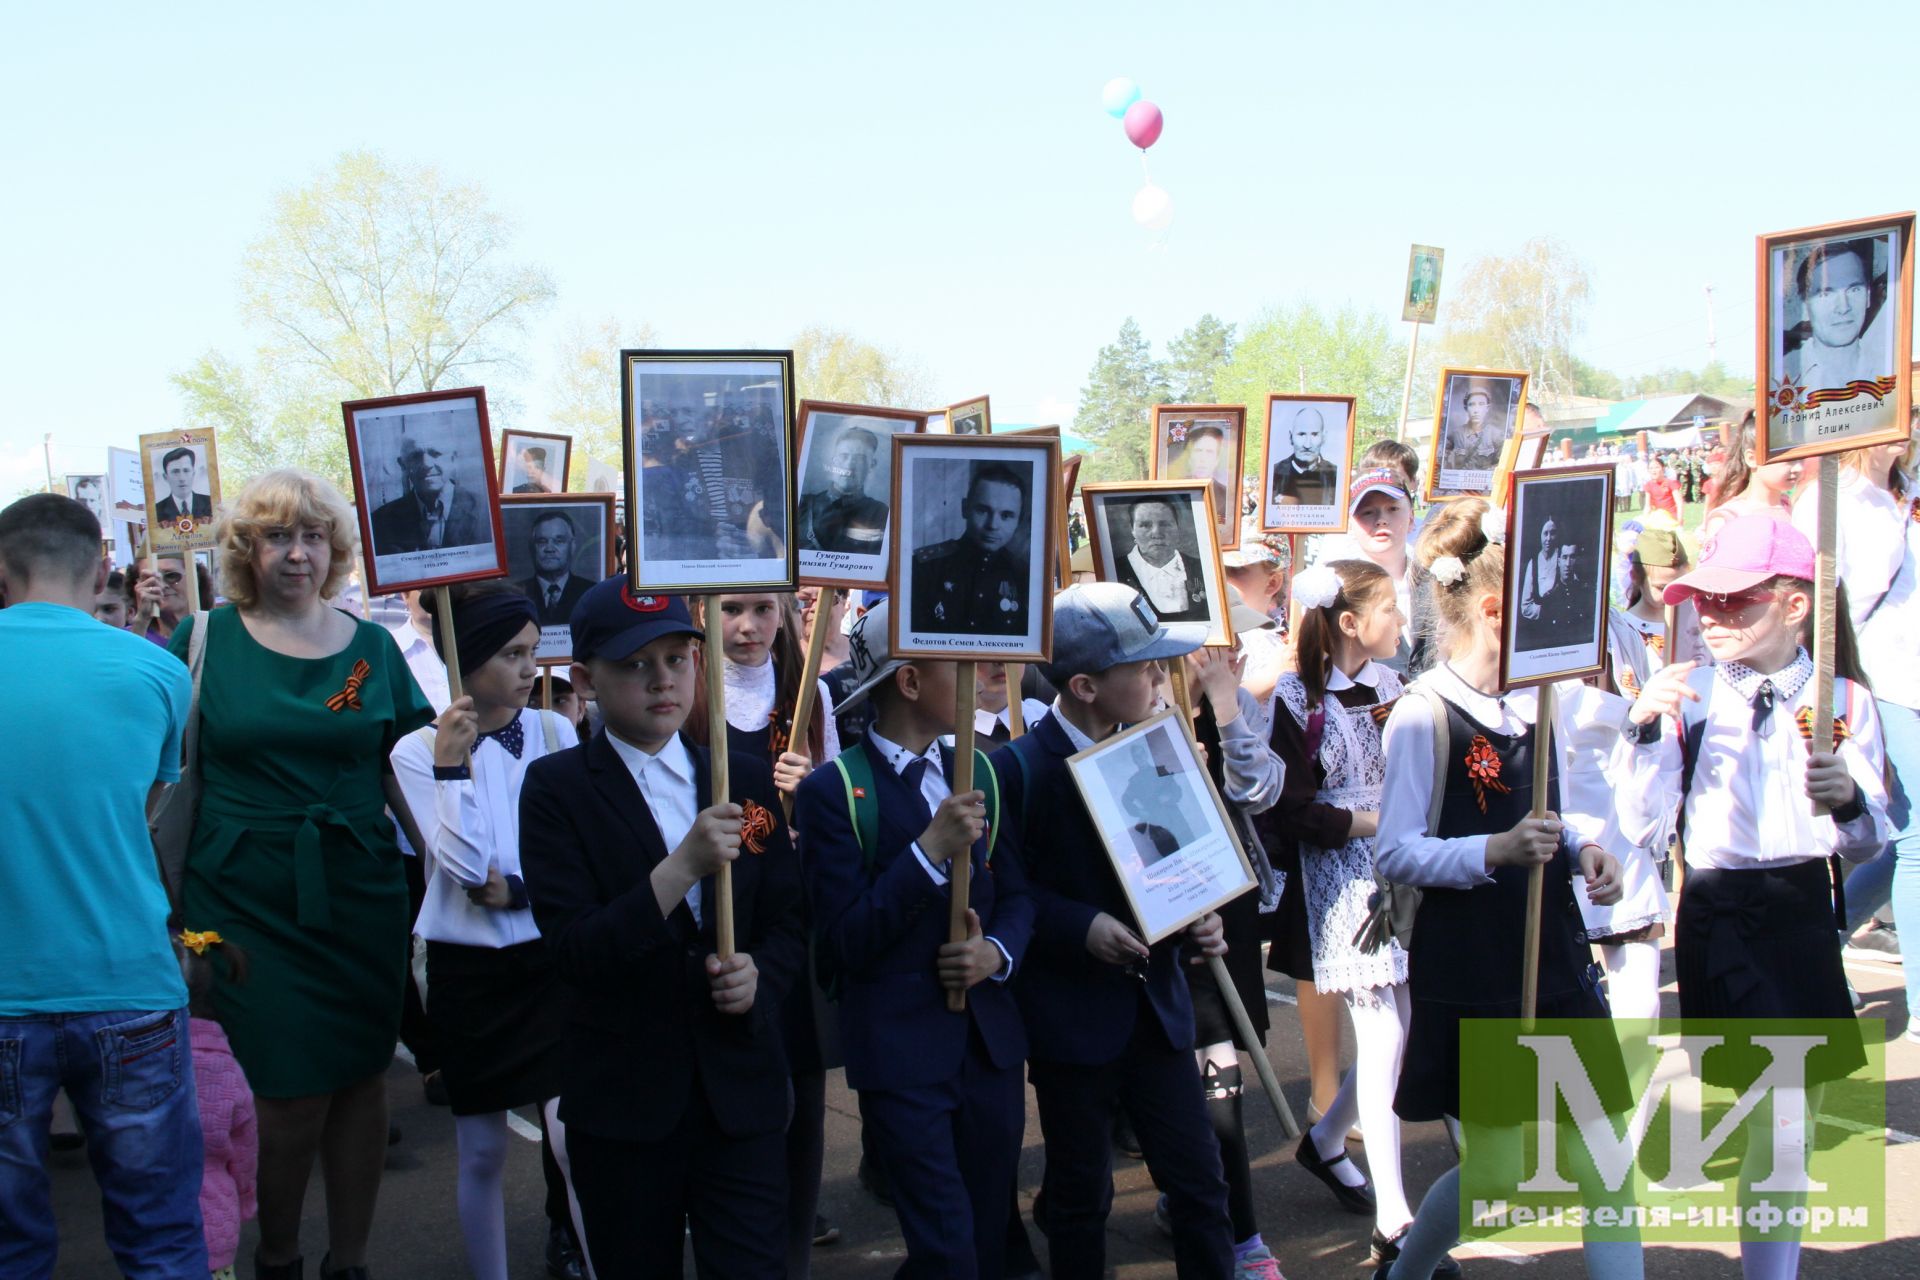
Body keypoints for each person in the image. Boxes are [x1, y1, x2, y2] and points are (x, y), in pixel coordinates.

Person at [170, 469, 435, 1280]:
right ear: (248, 550)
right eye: (277, 537)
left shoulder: (370, 647)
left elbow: (405, 771)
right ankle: (277, 1256)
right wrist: (171, 916)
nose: (297, 554)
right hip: (243, 900)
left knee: (363, 1080)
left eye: (313, 536)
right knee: (283, 1097)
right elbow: (179, 783)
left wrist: (445, 871)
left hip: (358, 893)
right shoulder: (202, 639)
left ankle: (348, 1263)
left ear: (335, 549)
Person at [1373, 498, 1635, 1280]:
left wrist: (1585, 847)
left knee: (1604, 1158)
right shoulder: (1423, 714)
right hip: (1476, 965)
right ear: (1494, 609)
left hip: (1552, 951)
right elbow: (1396, 851)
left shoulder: (1533, 700)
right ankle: (1407, 1269)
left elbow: (1546, 809)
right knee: (1497, 1171)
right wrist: (1495, 849)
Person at [1621, 515, 1887, 1280]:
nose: (1712, 615)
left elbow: (1871, 841)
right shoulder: (1689, 694)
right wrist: (1642, 734)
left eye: (1736, 601)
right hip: (1718, 908)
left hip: (1802, 908)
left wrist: (1847, 800)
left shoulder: (1845, 701)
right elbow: (1642, 823)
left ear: (1795, 605)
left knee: (1786, 1117)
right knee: (1772, 1110)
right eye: (1705, 600)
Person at [518, 581, 804, 1277]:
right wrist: (679, 870)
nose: (663, 681)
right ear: (585, 679)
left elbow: (793, 918)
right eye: (636, 664)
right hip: (625, 1099)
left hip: (738, 1091)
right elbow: (575, 949)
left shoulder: (742, 776)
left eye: (677, 659)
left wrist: (758, 977)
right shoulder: (557, 789)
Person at [990, 583, 1240, 1279]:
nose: (1161, 679)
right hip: (1074, 1023)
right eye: (1145, 668)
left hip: (1158, 1011)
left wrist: (1202, 915)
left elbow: (1181, 860)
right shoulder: (1017, 769)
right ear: (1084, 686)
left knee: (1200, 1184)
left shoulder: (1156, 748)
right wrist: (1082, 925)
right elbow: (1010, 893)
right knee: (1078, 1197)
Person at [0, 493, 208, 1277]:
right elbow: (148, 808)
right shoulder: (155, 671)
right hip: (127, 979)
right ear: (100, 571)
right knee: (159, 1234)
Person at [795, 601, 1034, 1278]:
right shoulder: (835, 791)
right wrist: (928, 853)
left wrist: (997, 953)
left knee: (986, 1238)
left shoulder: (982, 770)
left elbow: (1016, 895)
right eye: (956, 662)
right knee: (946, 1246)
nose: (979, 671)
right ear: (907, 682)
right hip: (901, 1053)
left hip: (986, 1050)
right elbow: (842, 941)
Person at [389, 583, 584, 1280]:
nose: (529, 668)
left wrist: (525, 890)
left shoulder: (558, 732)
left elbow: (574, 853)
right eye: (510, 653)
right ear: (466, 660)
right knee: (481, 1149)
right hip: (470, 970)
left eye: (532, 652)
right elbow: (467, 865)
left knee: (571, 1137)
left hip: (551, 957)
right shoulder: (416, 750)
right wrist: (452, 766)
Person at [1245, 560, 1421, 1267]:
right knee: (1383, 1035)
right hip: (1341, 876)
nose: (1402, 624)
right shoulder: (1292, 698)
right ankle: (1394, 1212)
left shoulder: (1391, 685)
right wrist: (1371, 824)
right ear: (1351, 623)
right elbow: (1287, 807)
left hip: (1398, 865)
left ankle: (1323, 1142)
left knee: (1403, 1028)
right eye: (1390, 611)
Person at [692, 592, 840, 1273]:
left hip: (788, 921)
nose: (746, 627)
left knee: (801, 1098)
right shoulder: (687, 692)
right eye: (729, 611)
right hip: (715, 917)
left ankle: (792, 1250)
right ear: (701, 614)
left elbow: (834, 825)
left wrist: (810, 794)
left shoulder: (807, 700)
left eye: (761, 610)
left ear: (786, 617)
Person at [1794, 438, 1918, 1032]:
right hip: (1880, 681)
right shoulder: (1828, 495)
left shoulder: (1904, 491)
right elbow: (1815, 603)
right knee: (1913, 840)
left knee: (1897, 841)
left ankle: (1825, 935)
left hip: (1906, 675)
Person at [182, 930, 258, 1280]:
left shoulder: (145, 1067)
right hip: (218, 1219)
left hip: (150, 1220)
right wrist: (246, 1197)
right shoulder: (226, 1068)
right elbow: (245, 1148)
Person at [1312, 470, 1434, 678]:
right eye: (1368, 512)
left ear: (1411, 516)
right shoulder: (1333, 590)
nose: (1381, 520)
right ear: (1350, 523)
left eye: (1393, 509)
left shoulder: (1438, 579)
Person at [911, 464, 1030, 636]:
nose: (992, 525)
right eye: (982, 510)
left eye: (1006, 516)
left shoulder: (1022, 575)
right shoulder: (925, 567)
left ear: (1018, 520)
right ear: (965, 508)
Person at [1783, 237, 1888, 389]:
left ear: (1868, 297)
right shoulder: (1785, 378)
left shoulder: (1888, 368)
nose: (1843, 307)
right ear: (1805, 305)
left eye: (1854, 289)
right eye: (1826, 293)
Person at [369, 434, 486, 552]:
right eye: (415, 456)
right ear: (403, 465)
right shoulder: (380, 521)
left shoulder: (486, 512)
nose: (426, 464)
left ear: (453, 459)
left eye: (436, 454)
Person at [1701, 412, 1801, 539]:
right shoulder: (1727, 519)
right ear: (1752, 458)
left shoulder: (1790, 507)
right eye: (1788, 460)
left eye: (1799, 459)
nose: (1798, 467)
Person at [1111, 497, 1210, 623]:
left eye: (1165, 524)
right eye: (1145, 525)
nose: (1156, 533)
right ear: (1132, 530)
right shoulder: (1114, 572)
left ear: (1177, 527)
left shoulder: (1201, 567)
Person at [798, 425, 888, 555]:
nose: (849, 465)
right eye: (844, 456)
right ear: (834, 461)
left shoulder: (881, 513)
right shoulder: (803, 505)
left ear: (871, 465)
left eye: (859, 458)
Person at [515, 511, 593, 626]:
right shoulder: (515, 594)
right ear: (532, 547)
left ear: (572, 546)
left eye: (559, 541)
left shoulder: (590, 592)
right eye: (542, 542)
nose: (549, 548)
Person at [1269, 406, 1340, 508]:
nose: (1307, 445)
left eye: (1314, 434)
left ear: (1323, 437)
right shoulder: (1274, 474)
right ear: (1290, 437)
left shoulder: (1336, 475)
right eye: (1301, 434)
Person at [1172, 424, 1232, 528]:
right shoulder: (1173, 490)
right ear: (1189, 457)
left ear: (1216, 460)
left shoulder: (1227, 495)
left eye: (1209, 452)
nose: (1202, 459)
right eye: (1198, 451)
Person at [1439, 382, 1505, 473]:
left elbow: (1503, 465)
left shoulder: (1497, 435)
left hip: (1486, 485)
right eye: (1472, 405)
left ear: (1487, 408)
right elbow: (1440, 460)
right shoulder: (1455, 434)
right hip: (1459, 485)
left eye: (1481, 404)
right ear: (1466, 408)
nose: (1476, 410)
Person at [155, 445, 214, 522]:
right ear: (165, 477)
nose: (182, 478)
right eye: (175, 472)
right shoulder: (156, 510)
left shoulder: (211, 503)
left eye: (186, 470)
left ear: (193, 473)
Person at [1641, 457, 1680, 521]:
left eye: (1657, 467)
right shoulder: (1648, 485)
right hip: (1657, 517)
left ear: (1663, 469)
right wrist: (1644, 519)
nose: (1654, 470)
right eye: (1651, 468)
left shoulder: (1671, 483)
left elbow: (1679, 503)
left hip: (1671, 518)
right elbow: (1647, 506)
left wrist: (1679, 519)